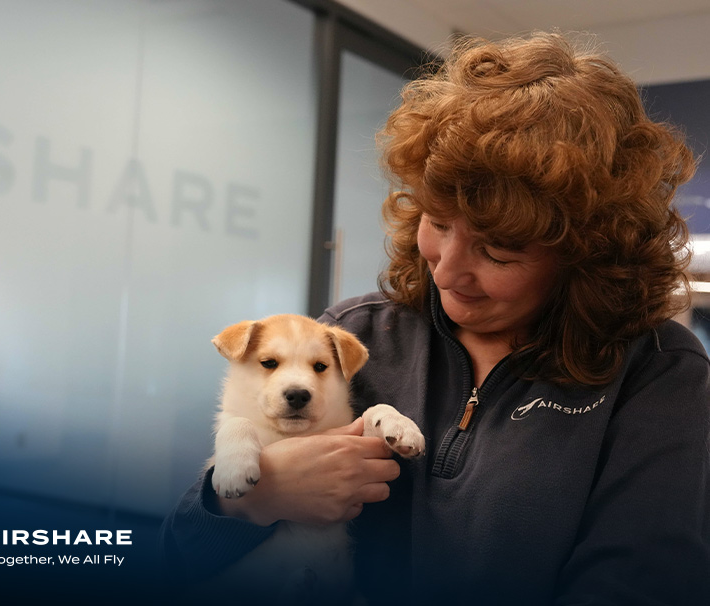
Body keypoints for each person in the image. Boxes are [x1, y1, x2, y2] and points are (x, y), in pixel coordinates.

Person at [158, 31, 710, 604]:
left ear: (586, 254)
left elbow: (638, 583)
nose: (446, 270)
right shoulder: (356, 334)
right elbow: (179, 554)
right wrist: (253, 500)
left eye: (497, 251)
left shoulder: (656, 372)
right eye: (438, 222)